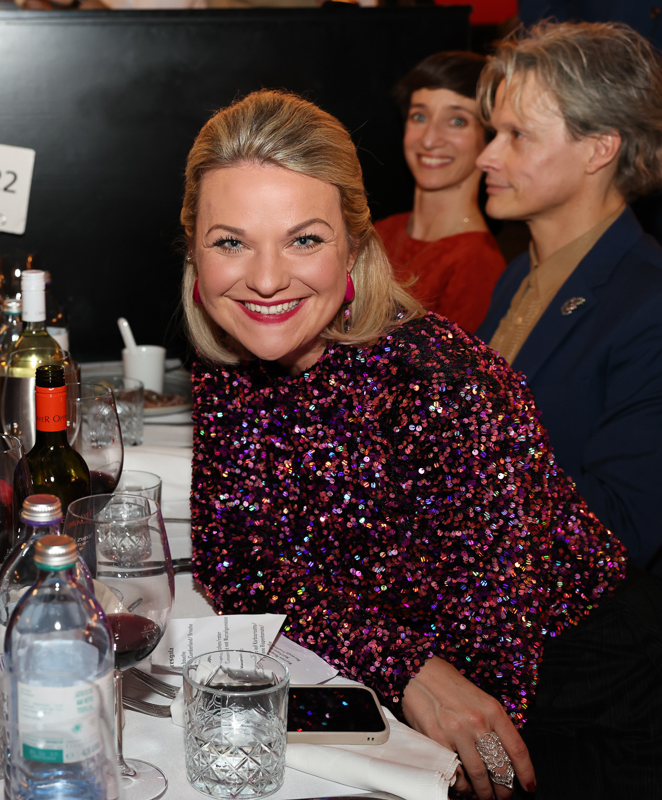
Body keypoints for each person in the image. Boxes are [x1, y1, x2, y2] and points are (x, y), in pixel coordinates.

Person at [183, 88, 662, 799]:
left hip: (582, 699)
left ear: (354, 245)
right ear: (195, 249)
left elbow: (492, 664)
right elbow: (236, 556)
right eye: (231, 242)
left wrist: (397, 668)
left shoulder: (438, 386)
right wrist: (400, 662)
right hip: (420, 679)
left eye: (304, 239)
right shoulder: (232, 354)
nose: (265, 279)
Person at [474, 21, 662, 576]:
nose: (486, 157)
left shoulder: (649, 304)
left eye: (518, 135)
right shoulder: (519, 274)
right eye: (494, 132)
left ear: (599, 149)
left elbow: (623, 528)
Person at [374, 51, 505, 333]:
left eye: (457, 121)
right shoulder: (380, 232)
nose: (430, 139)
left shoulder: (477, 263)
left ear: (488, 138)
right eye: (419, 116)